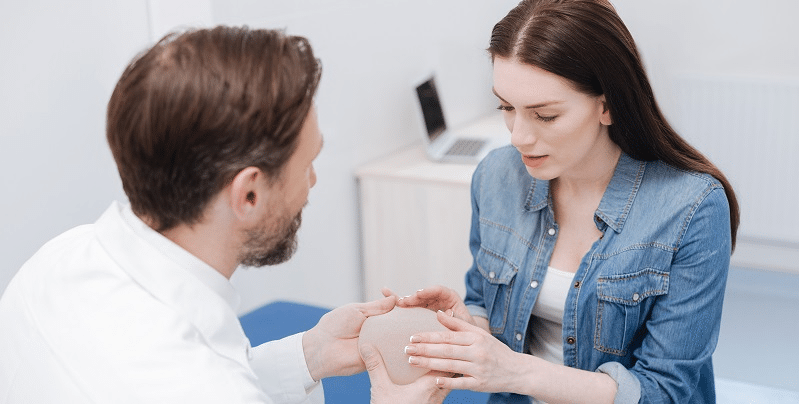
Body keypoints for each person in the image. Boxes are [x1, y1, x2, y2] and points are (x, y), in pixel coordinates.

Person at [0, 26, 445, 404]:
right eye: (308, 164)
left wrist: (312, 353)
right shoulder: (205, 387)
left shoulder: (54, 260)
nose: (312, 183)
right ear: (248, 194)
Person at [393, 0, 740, 403]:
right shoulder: (496, 175)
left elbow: (664, 390)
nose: (518, 136)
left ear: (607, 105)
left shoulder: (693, 208)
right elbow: (484, 301)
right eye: (506, 107)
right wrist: (469, 325)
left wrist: (515, 371)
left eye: (545, 116)